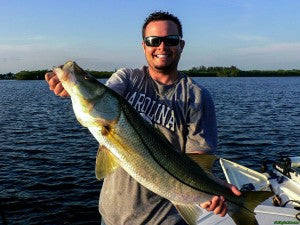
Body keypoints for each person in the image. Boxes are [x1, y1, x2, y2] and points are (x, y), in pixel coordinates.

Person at [45, 11, 241, 225]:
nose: (162, 47)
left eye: (171, 40)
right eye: (153, 40)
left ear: (181, 45)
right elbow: (105, 98)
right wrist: (73, 90)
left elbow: (198, 159)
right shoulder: (127, 78)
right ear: (144, 46)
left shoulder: (197, 96)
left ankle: (242, 208)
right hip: (110, 218)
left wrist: (213, 190)